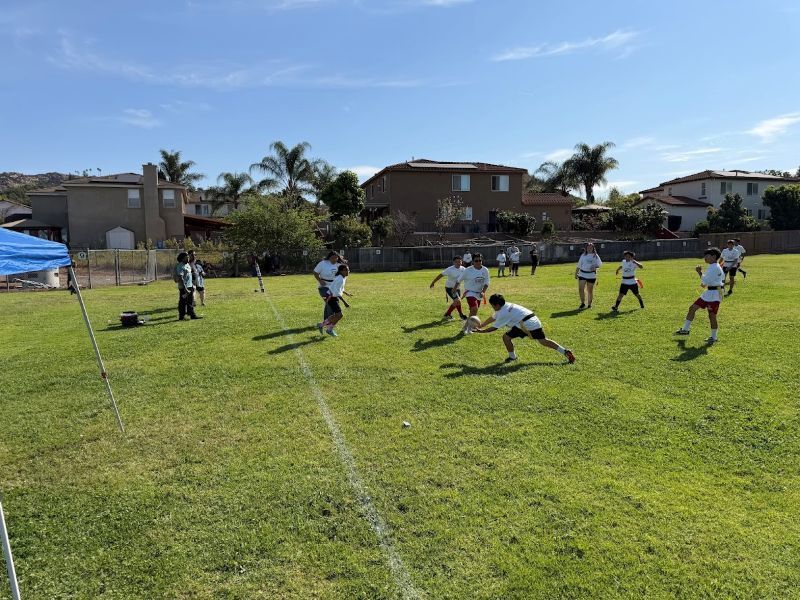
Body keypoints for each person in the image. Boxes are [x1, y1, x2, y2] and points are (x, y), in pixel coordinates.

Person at [474, 294, 576, 364]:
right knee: (542, 341)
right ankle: (565, 351)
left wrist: (481, 331)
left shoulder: (504, 312)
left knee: (507, 337)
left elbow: (494, 328)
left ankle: (512, 357)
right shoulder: (506, 305)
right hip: (533, 320)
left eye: (492, 306)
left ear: (497, 305)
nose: (492, 307)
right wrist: (482, 324)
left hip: (527, 324)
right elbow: (493, 317)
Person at [674, 247, 724, 344]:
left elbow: (705, 280)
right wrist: (705, 281)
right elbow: (708, 280)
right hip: (709, 292)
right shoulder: (713, 266)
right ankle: (685, 330)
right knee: (692, 308)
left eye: (707, 255)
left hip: (714, 294)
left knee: (712, 315)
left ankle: (714, 337)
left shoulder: (715, 267)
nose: (704, 257)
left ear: (714, 256)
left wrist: (699, 272)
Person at [318, 264, 352, 337]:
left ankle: (321, 325)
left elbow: (340, 289)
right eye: (345, 270)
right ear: (341, 271)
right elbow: (336, 292)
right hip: (331, 297)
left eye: (348, 270)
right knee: (339, 315)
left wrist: (346, 293)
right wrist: (345, 302)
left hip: (332, 296)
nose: (348, 271)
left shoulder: (343, 278)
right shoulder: (339, 279)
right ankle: (329, 329)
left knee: (337, 315)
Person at [429, 256, 467, 321]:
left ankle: (456, 315)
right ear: (453, 262)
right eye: (456, 262)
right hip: (449, 288)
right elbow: (441, 275)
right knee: (457, 300)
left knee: (457, 302)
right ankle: (450, 314)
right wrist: (433, 282)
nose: (458, 263)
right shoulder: (450, 269)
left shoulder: (464, 269)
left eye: (459, 261)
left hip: (457, 288)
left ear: (461, 262)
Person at [454, 253, 490, 318]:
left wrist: (483, 292)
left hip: (479, 294)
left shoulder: (485, 270)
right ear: (473, 261)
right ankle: (469, 326)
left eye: (480, 260)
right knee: (474, 308)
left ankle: (467, 326)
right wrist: (454, 289)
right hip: (469, 292)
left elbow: (487, 283)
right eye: (476, 261)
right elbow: (458, 280)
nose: (478, 262)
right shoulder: (468, 270)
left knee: (473, 311)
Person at [313, 251, 342, 325]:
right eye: (332, 258)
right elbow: (315, 272)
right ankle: (328, 322)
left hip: (334, 287)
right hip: (323, 287)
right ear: (329, 258)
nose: (334, 259)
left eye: (336, 258)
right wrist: (320, 281)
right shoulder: (323, 263)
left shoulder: (339, 265)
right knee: (330, 302)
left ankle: (326, 321)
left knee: (329, 304)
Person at [575, 243, 602, 309]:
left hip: (591, 275)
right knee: (581, 289)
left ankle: (589, 304)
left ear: (593, 248)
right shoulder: (583, 255)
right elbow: (579, 265)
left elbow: (600, 264)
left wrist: (595, 267)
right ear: (586, 248)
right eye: (588, 247)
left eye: (591, 247)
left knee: (589, 290)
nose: (589, 249)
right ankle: (582, 303)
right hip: (582, 274)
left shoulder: (595, 256)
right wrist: (576, 273)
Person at [174, 252, 200, 320]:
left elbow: (189, 276)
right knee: (183, 302)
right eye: (187, 257)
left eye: (188, 257)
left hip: (190, 286)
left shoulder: (187, 265)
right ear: (182, 259)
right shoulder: (180, 266)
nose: (188, 258)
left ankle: (192, 315)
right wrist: (185, 289)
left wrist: (192, 285)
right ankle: (181, 316)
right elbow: (181, 278)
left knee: (190, 301)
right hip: (183, 287)